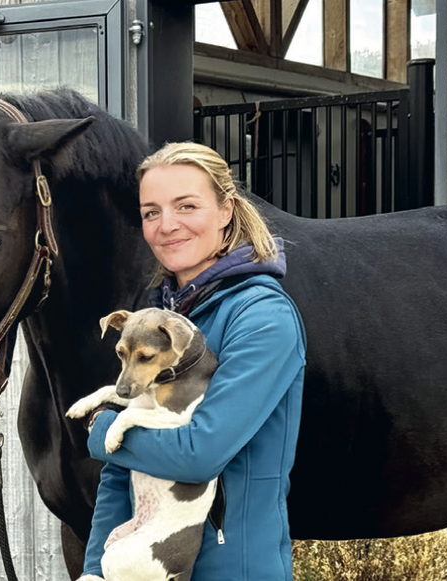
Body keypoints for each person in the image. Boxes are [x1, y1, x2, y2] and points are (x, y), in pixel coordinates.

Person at [78, 142, 307, 580]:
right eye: (150, 212)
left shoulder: (263, 318)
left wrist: (102, 429)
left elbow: (201, 453)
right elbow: (118, 474)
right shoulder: (161, 320)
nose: (167, 225)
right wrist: (95, 572)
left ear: (226, 211)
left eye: (186, 206)